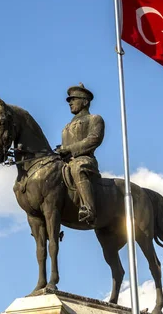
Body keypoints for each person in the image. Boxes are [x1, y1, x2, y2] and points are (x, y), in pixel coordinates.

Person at [55, 83, 104, 224]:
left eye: (74, 99)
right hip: (66, 163)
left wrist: (69, 149)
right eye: (69, 100)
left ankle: (89, 208)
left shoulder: (94, 119)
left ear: (85, 101)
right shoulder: (66, 126)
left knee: (78, 168)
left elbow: (94, 139)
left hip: (84, 160)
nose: (70, 102)